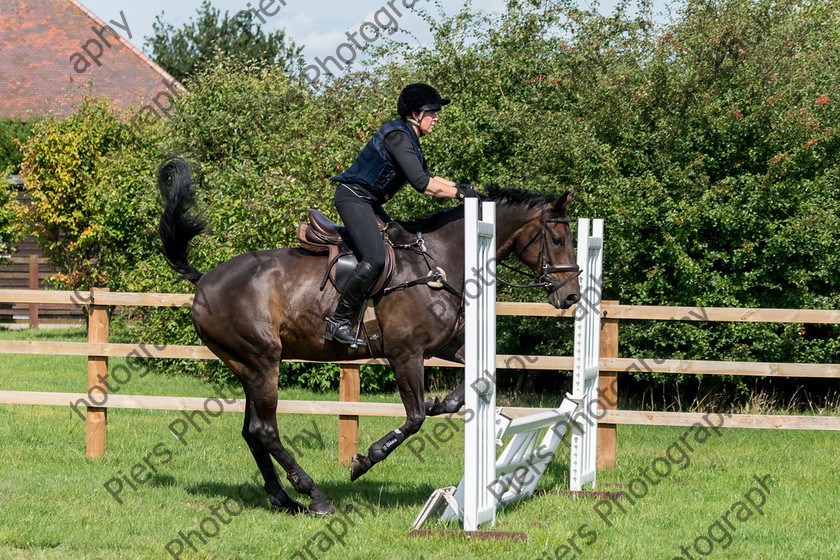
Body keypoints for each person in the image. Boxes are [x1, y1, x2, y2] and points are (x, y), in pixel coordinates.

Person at [325, 83, 478, 347]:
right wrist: (459, 196)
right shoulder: (397, 137)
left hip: (367, 201)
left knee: (399, 243)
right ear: (415, 113)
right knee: (374, 256)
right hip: (353, 198)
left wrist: (461, 188)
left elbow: (429, 177)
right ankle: (338, 321)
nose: (436, 117)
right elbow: (422, 184)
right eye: (432, 111)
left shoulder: (409, 138)